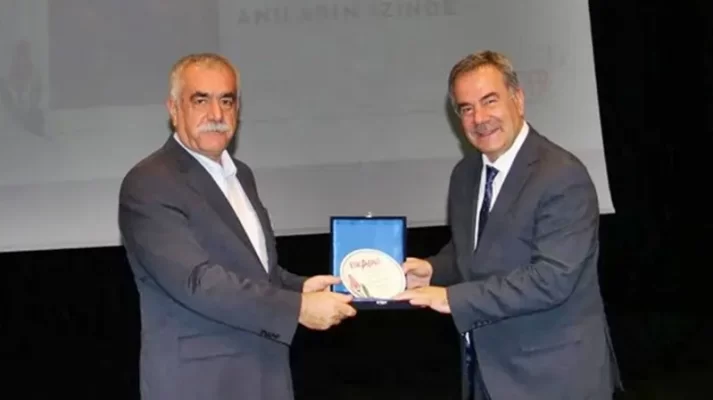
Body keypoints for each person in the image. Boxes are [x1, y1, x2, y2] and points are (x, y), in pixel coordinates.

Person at [118, 52, 357, 400]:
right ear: (174, 109)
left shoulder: (240, 175)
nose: (216, 115)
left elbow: (254, 270)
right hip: (199, 383)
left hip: (264, 372)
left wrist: (300, 287)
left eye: (226, 101)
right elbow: (197, 281)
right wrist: (297, 308)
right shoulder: (150, 182)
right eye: (201, 100)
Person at [394, 50, 622, 399]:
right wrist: (431, 271)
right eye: (466, 108)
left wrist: (452, 297)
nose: (479, 118)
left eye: (490, 101)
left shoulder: (562, 176)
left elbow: (551, 279)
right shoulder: (465, 174)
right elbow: (474, 249)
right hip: (487, 373)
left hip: (554, 378)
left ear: (518, 99)